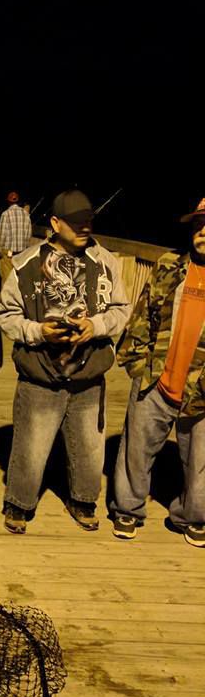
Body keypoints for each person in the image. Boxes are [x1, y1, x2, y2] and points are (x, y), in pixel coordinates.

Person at [0, 189, 131, 534]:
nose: (85, 226)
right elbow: (6, 315)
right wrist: (39, 331)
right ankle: (19, 503)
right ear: (55, 223)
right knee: (30, 446)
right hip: (39, 376)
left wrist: (97, 327)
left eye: (88, 219)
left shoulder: (106, 262)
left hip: (90, 375)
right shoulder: (24, 265)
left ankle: (83, 501)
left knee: (89, 446)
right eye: (75, 222)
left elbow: (122, 309)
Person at [110, 198, 205, 547]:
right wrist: (138, 366)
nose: (203, 231)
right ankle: (127, 509)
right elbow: (141, 317)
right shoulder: (169, 266)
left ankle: (192, 517)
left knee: (201, 465)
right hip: (156, 381)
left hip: (202, 392)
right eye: (198, 224)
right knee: (135, 450)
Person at [0, 191, 32, 260]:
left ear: (8, 202)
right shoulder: (26, 214)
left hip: (8, 253)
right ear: (18, 201)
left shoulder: (5, 214)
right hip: (22, 253)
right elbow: (29, 235)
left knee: (7, 270)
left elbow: (1, 234)